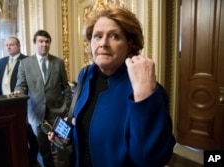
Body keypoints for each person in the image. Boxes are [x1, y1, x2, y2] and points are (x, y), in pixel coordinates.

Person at [48, 7, 176, 167]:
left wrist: (145, 96)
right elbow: (79, 118)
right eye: (97, 36)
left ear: (130, 43)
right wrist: (64, 133)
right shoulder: (86, 74)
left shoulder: (144, 88)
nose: (103, 43)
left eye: (114, 36)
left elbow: (149, 159)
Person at [0, 37, 39, 167]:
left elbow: (33, 82)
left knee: (28, 134)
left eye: (12, 45)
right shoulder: (2, 61)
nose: (9, 47)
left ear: (19, 46)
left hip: (21, 105)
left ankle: (32, 161)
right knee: (10, 136)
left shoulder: (27, 61)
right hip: (3, 106)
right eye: (7, 45)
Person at [13, 30, 72, 167]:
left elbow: (66, 88)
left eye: (47, 42)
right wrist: (18, 92)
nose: (44, 44)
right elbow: (21, 86)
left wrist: (67, 109)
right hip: (36, 115)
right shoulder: (25, 63)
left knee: (63, 148)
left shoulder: (58, 62)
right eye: (41, 41)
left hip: (58, 114)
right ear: (35, 43)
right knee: (44, 151)